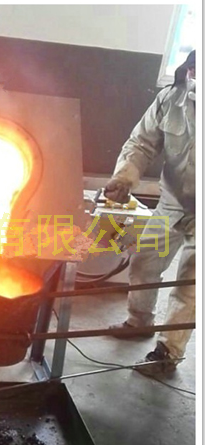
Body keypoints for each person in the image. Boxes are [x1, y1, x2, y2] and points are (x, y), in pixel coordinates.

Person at [105, 50, 196, 376]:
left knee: (190, 283)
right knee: (145, 260)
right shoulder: (171, 99)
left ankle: (167, 352)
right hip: (172, 201)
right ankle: (139, 321)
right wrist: (124, 178)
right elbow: (142, 144)